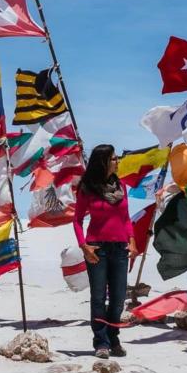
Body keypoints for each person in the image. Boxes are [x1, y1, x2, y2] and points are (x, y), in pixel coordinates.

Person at [73, 144, 138, 359]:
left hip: (120, 249)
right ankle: (101, 342)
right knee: (99, 297)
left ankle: (114, 337)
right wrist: (84, 246)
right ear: (102, 162)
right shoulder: (87, 187)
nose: (117, 162)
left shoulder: (121, 187)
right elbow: (77, 220)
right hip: (97, 249)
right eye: (113, 159)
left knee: (119, 298)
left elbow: (126, 218)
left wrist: (132, 241)